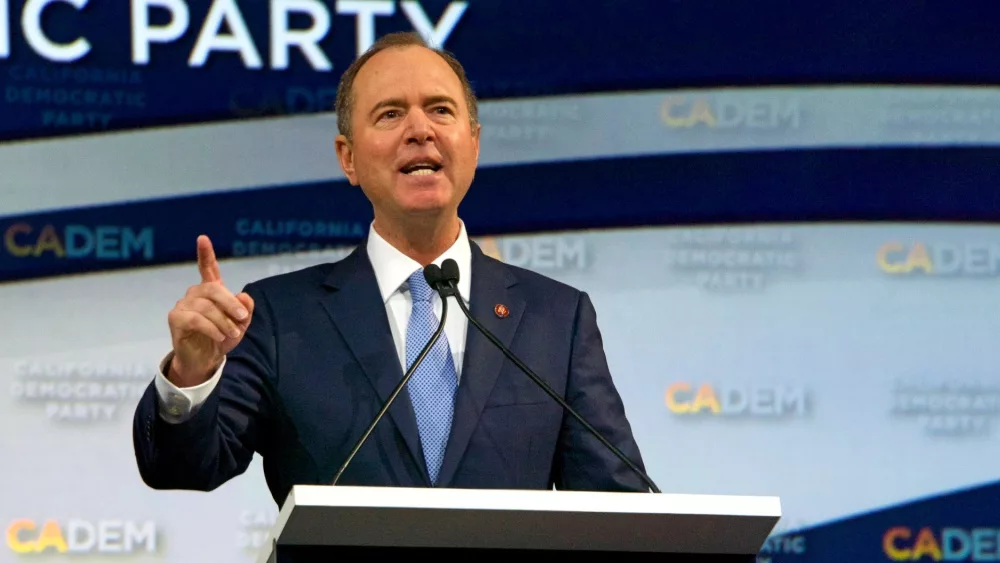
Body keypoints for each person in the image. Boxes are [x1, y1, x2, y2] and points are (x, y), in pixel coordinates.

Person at [132, 32, 649, 507]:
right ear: (348, 158)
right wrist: (191, 374)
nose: (419, 130)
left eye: (440, 111)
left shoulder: (557, 318)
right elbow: (181, 467)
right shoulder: (277, 316)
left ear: (473, 142)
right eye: (390, 114)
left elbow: (618, 504)